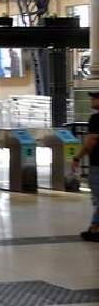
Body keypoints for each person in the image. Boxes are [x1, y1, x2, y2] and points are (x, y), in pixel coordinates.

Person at [73, 91, 99, 242]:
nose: (92, 100)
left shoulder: (96, 118)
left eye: (95, 97)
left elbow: (91, 141)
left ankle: (94, 229)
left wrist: (77, 157)